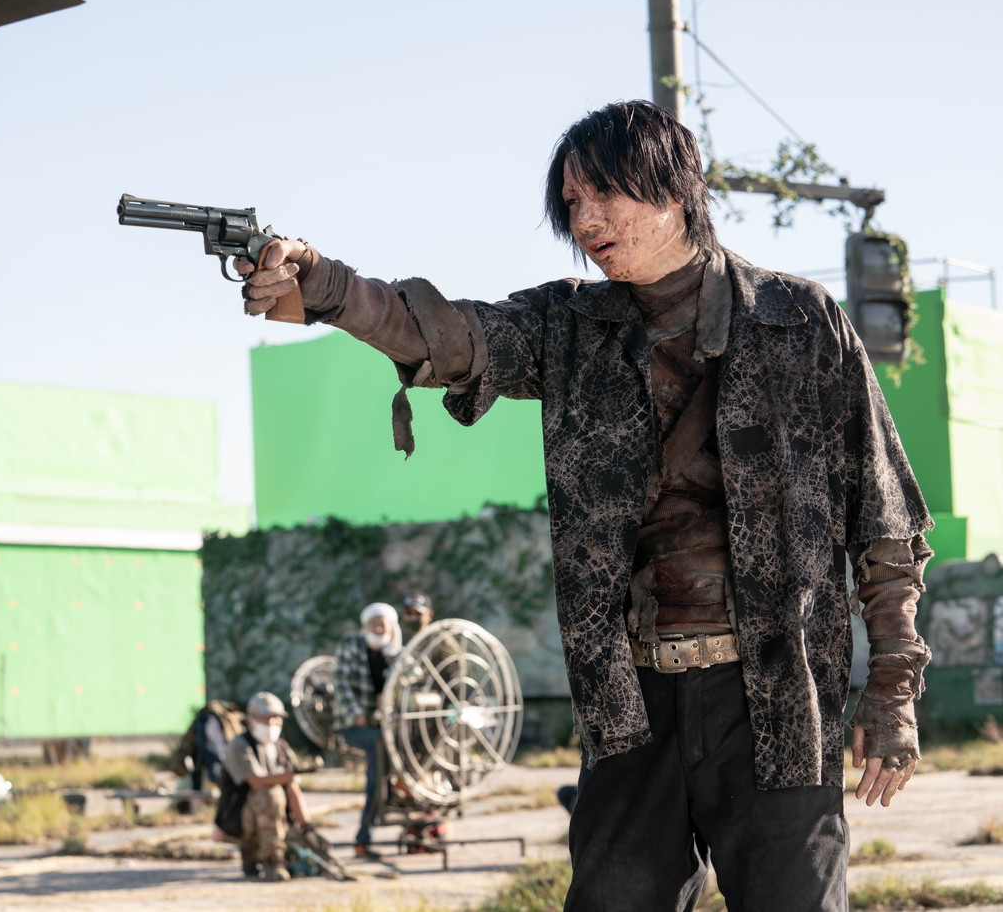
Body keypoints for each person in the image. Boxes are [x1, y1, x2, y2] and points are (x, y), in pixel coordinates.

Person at [237, 100, 932, 911]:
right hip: (629, 703)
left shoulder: (799, 321)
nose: (585, 220)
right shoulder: (569, 325)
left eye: (604, 194)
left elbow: (884, 522)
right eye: (571, 203)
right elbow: (448, 335)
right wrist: (324, 285)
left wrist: (893, 688)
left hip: (777, 703)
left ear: (674, 189)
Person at [219, 691, 312, 882]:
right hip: (240, 820)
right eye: (266, 718)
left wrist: (308, 828)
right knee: (271, 792)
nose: (271, 724)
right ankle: (271, 859)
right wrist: (292, 773)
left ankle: (260, 853)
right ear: (250, 720)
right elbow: (257, 781)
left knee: (307, 850)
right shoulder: (240, 745)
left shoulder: (281, 747)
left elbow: (292, 790)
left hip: (277, 820)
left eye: (276, 718)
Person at [334, 602, 402, 860]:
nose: (379, 628)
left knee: (402, 746)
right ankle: (365, 836)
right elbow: (341, 683)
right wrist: (357, 714)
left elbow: (411, 680)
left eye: (383, 624)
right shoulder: (351, 646)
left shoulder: (396, 653)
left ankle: (396, 791)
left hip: (389, 729)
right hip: (354, 727)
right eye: (374, 623)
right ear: (365, 625)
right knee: (379, 754)